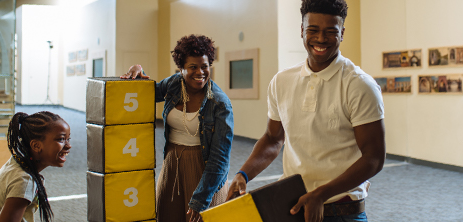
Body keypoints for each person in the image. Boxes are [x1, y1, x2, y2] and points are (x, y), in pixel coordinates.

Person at [226, 1, 386, 222]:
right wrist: (243, 174)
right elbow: (273, 139)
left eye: (331, 31)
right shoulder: (281, 81)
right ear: (302, 30)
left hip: (342, 212)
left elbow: (374, 158)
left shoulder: (359, 85)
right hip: (293, 209)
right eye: (313, 30)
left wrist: (321, 194)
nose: (321, 38)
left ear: (342, 33)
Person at [121, 34, 233, 222]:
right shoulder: (174, 84)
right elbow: (146, 93)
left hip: (205, 171)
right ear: (181, 68)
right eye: (193, 67)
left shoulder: (220, 103)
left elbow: (220, 160)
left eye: (205, 66)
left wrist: (200, 200)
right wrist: (138, 71)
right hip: (172, 165)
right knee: (166, 216)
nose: (200, 72)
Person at [0, 111, 72, 222]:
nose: (68, 146)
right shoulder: (24, 181)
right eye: (61, 139)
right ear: (36, 145)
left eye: (68, 139)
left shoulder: (17, 161)